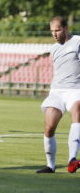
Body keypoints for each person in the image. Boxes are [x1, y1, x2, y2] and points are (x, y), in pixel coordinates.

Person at [36, 16, 80, 174]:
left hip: (76, 90)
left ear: (66, 28)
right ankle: (50, 166)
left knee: (77, 112)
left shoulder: (77, 42)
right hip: (56, 91)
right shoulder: (54, 49)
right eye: (52, 31)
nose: (54, 34)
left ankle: (72, 159)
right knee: (49, 128)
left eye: (57, 30)